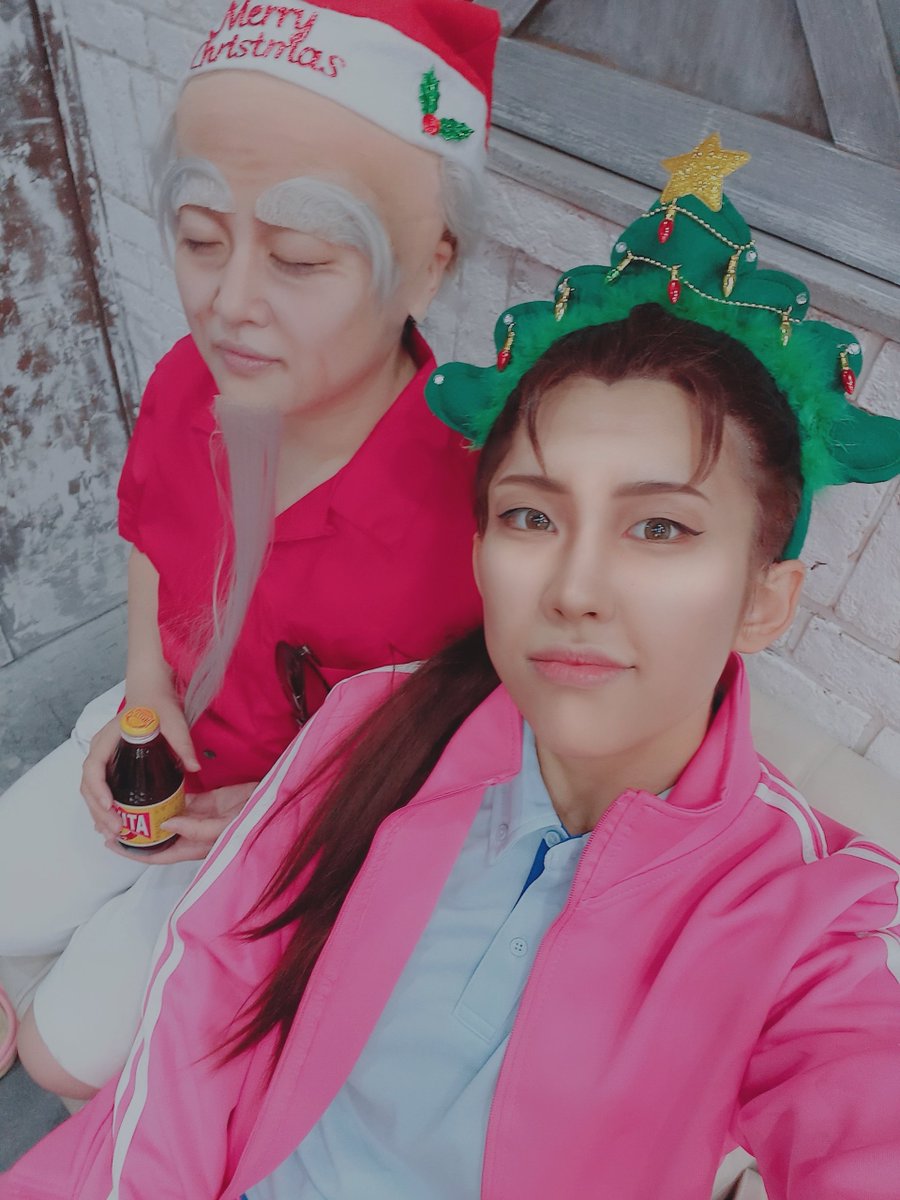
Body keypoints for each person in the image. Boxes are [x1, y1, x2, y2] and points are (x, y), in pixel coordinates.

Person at [5, 137, 900, 1200]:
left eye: (660, 528)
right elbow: (199, 1022)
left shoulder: (815, 920)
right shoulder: (373, 724)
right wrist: (148, 696)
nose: (574, 589)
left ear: (765, 600)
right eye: (530, 517)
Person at [0, 0, 499, 1100]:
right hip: (162, 742)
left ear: (428, 266)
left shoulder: (468, 516)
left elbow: (447, 759)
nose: (230, 305)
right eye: (199, 240)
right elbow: (152, 537)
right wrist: (142, 693)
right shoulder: (188, 385)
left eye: (301, 258)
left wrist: (289, 814)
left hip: (292, 831)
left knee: (64, 1054)